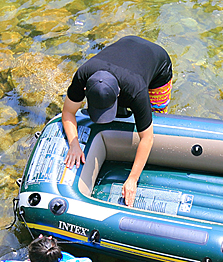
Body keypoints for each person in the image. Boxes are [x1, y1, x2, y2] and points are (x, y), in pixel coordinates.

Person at [62, 35, 173, 207]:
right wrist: (74, 143)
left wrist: (132, 179)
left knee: (156, 113)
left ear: (119, 92)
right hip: (125, 45)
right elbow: (68, 112)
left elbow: (147, 138)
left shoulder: (136, 90)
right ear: (85, 90)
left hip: (157, 61)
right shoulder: (83, 75)